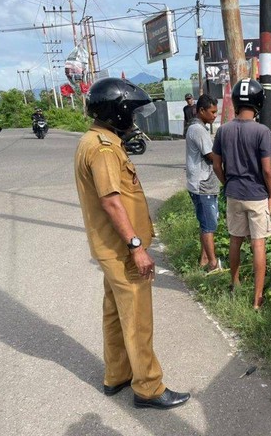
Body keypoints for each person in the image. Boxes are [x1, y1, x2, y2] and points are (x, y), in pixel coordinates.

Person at [74, 77, 190, 410]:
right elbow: (111, 201)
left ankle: (117, 375)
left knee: (114, 313)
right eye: (132, 112)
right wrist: (137, 247)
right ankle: (148, 387)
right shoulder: (104, 148)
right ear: (118, 112)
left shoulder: (93, 139)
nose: (135, 119)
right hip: (122, 250)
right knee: (137, 318)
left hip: (108, 247)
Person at [211, 78, 271, 310]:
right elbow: (267, 169)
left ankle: (235, 282)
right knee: (258, 245)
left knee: (235, 240)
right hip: (257, 194)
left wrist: (226, 182)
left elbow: (216, 165)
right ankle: (257, 299)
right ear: (259, 101)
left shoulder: (223, 130)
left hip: (234, 193)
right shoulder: (262, 131)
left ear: (236, 102)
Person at [185, 94, 222, 273]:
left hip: (201, 182)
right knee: (209, 224)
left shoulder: (197, 128)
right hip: (202, 184)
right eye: (212, 112)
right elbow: (211, 156)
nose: (215, 115)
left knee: (206, 222)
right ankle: (213, 264)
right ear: (201, 111)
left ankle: (204, 259)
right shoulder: (198, 130)